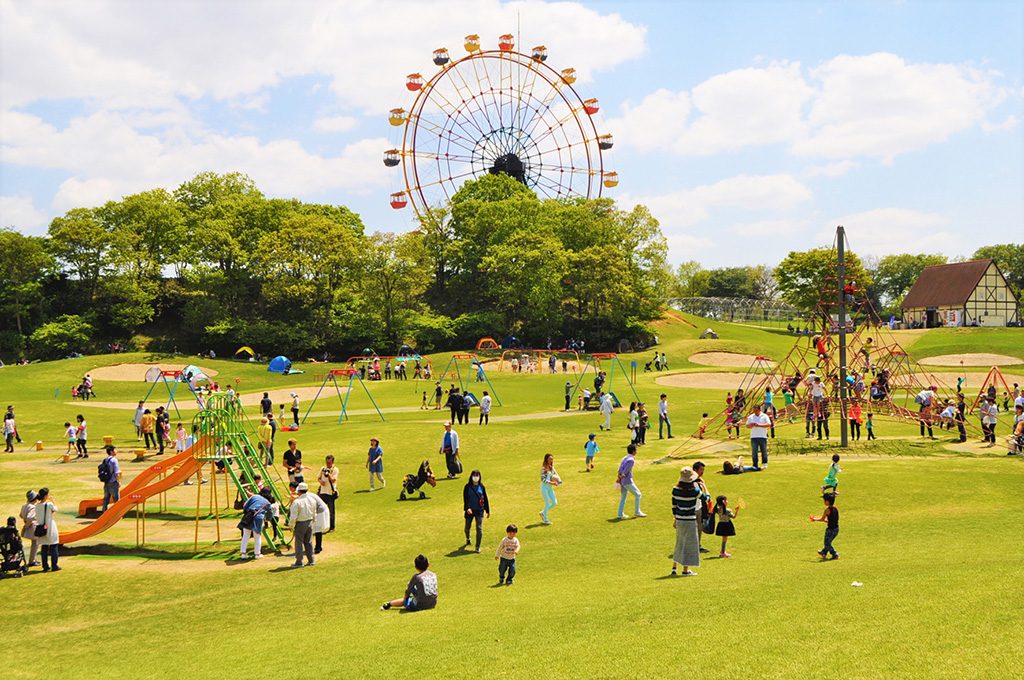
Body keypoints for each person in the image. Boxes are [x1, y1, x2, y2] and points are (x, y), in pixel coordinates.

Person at [671, 467, 705, 576]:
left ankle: (674, 568)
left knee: (679, 542)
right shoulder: (694, 491)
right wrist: (704, 486)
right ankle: (686, 570)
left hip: (680, 519)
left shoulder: (675, 489)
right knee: (689, 544)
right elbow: (706, 498)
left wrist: (676, 518)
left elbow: (674, 507)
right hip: (690, 519)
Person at [288, 482, 322, 567]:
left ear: (299, 491)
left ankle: (299, 562)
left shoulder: (297, 502)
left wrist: (291, 525)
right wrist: (313, 521)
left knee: (299, 542)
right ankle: (311, 560)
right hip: (310, 522)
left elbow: (293, 516)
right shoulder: (312, 500)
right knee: (309, 542)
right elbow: (314, 513)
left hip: (300, 523)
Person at [238, 487, 274, 559]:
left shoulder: (254, 496)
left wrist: (247, 511)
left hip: (248, 516)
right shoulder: (267, 503)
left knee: (245, 535)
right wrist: (267, 519)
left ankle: (243, 553)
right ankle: (257, 554)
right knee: (257, 536)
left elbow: (245, 506)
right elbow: (270, 513)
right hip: (258, 518)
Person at [462, 470, 490, 552]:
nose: (476, 477)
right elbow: (465, 499)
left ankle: (477, 546)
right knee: (467, 527)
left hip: (479, 510)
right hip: (470, 511)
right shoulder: (467, 487)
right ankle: (467, 538)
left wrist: (487, 510)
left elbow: (485, 498)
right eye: (474, 475)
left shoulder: (482, 486)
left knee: (479, 528)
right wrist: (468, 508)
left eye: (477, 475)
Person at [616, 444, 646, 519]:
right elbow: (626, 471)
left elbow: (620, 469)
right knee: (638, 494)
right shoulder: (631, 460)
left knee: (623, 497)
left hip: (623, 481)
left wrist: (619, 478)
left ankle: (620, 514)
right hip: (627, 481)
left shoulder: (625, 458)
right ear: (633, 451)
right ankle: (637, 511)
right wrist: (620, 477)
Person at [35, 487, 60, 572]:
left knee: (44, 548)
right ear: (45, 496)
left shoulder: (37, 506)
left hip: (41, 528)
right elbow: (56, 509)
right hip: (50, 527)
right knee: (54, 546)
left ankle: (45, 566)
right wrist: (53, 501)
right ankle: (54, 566)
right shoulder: (49, 504)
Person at [811, 492, 840, 560]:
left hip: (830, 530)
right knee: (828, 542)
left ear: (827, 501)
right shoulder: (836, 508)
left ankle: (835, 554)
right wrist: (828, 520)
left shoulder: (827, 510)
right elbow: (835, 518)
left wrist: (814, 519)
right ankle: (824, 552)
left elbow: (822, 519)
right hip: (836, 529)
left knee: (827, 543)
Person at [746, 403, 772, 469]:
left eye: (756, 410)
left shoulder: (765, 416)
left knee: (764, 451)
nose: (755, 412)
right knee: (754, 452)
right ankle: (755, 464)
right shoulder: (751, 417)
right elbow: (747, 425)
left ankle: (764, 463)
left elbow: (768, 424)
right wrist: (751, 425)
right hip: (754, 436)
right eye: (754, 410)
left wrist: (759, 425)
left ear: (759, 410)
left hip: (762, 436)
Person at [317, 455, 339, 531]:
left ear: (332, 462)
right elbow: (318, 477)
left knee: (331, 511)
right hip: (322, 492)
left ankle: (332, 527)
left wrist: (328, 474)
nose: (328, 464)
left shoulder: (335, 470)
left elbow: (333, 480)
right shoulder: (323, 468)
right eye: (327, 462)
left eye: (329, 463)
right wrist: (321, 482)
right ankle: (320, 525)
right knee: (320, 509)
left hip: (330, 493)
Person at [693, 461, 711, 553]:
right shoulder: (695, 483)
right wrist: (704, 486)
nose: (702, 472)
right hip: (694, 509)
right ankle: (694, 547)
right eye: (701, 469)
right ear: (695, 470)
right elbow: (706, 497)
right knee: (694, 529)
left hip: (698, 508)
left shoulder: (695, 481)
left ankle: (697, 546)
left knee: (699, 528)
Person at [19, 490, 39, 566]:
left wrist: (25, 522)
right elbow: (30, 518)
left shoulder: (24, 505)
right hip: (32, 527)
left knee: (34, 543)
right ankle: (32, 561)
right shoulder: (33, 507)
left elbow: (21, 515)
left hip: (29, 526)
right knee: (35, 544)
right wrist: (26, 525)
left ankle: (33, 559)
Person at [539, 453, 560, 525]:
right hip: (544, 488)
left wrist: (559, 481)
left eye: (552, 459)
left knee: (554, 503)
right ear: (546, 459)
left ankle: (543, 512)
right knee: (547, 502)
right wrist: (553, 483)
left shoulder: (551, 467)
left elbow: (556, 474)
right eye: (549, 459)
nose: (551, 460)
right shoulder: (543, 468)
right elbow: (543, 480)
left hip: (550, 488)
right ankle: (545, 519)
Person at [100, 445, 121, 512]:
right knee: (116, 499)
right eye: (115, 450)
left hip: (106, 481)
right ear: (111, 451)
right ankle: (116, 513)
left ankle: (104, 513)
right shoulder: (114, 460)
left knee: (106, 499)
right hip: (113, 482)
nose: (116, 451)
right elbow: (116, 472)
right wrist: (118, 481)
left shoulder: (105, 460)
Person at [312, 490, 330, 555]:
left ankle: (318, 547)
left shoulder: (307, 497)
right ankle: (317, 547)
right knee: (316, 529)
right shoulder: (308, 495)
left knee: (317, 529)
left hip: (320, 512)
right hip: (317, 511)